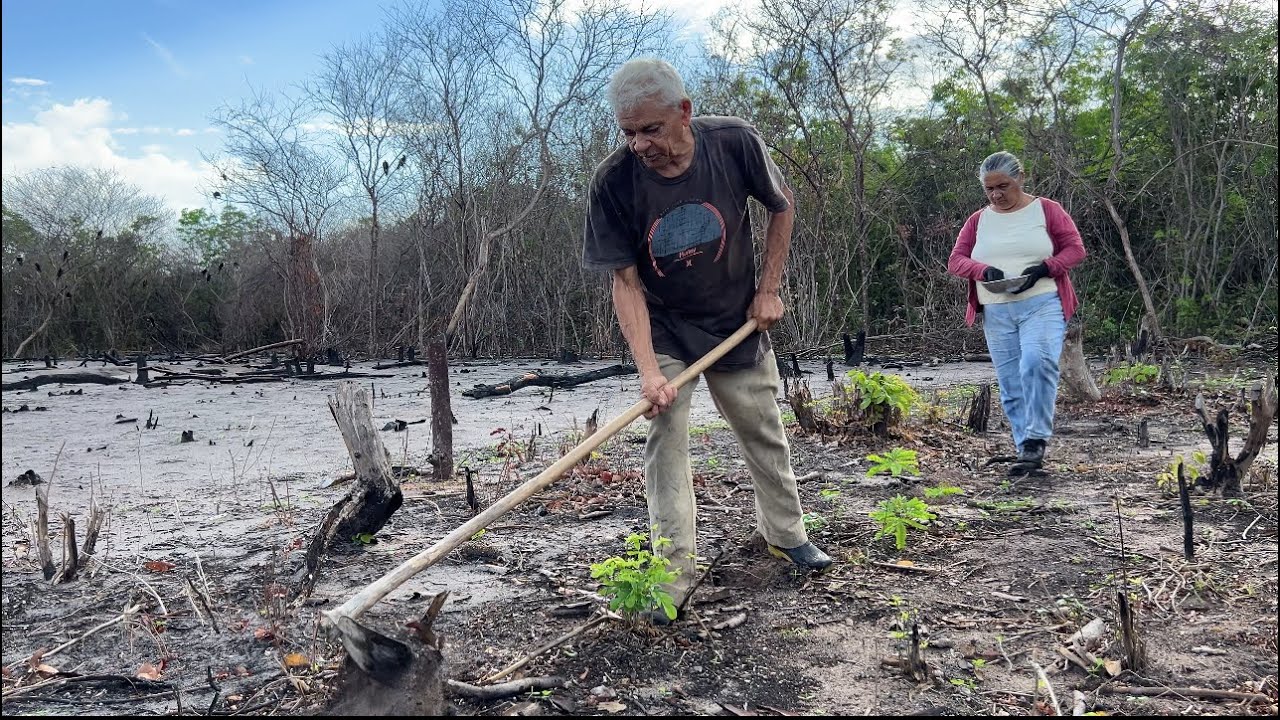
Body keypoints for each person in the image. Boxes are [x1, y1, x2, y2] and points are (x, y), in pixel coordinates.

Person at [582, 58, 832, 622]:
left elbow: (781, 207)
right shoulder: (614, 182)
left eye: (650, 128)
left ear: (684, 112)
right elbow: (624, 282)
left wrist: (768, 290)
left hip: (733, 320)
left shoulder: (733, 143)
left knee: (761, 426)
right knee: (664, 437)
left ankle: (786, 535)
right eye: (628, 132)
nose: (640, 143)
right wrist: (649, 371)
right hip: (667, 325)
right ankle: (673, 576)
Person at [947, 150, 1087, 475]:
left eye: (1003, 186)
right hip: (996, 310)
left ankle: (1037, 437)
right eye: (990, 189)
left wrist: (1044, 268)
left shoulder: (1047, 210)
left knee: (1037, 363)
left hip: (1042, 303)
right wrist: (982, 271)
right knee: (1011, 382)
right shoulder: (978, 220)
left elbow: (1075, 249)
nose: (997, 194)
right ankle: (1027, 450)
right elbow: (956, 260)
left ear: (1020, 178)